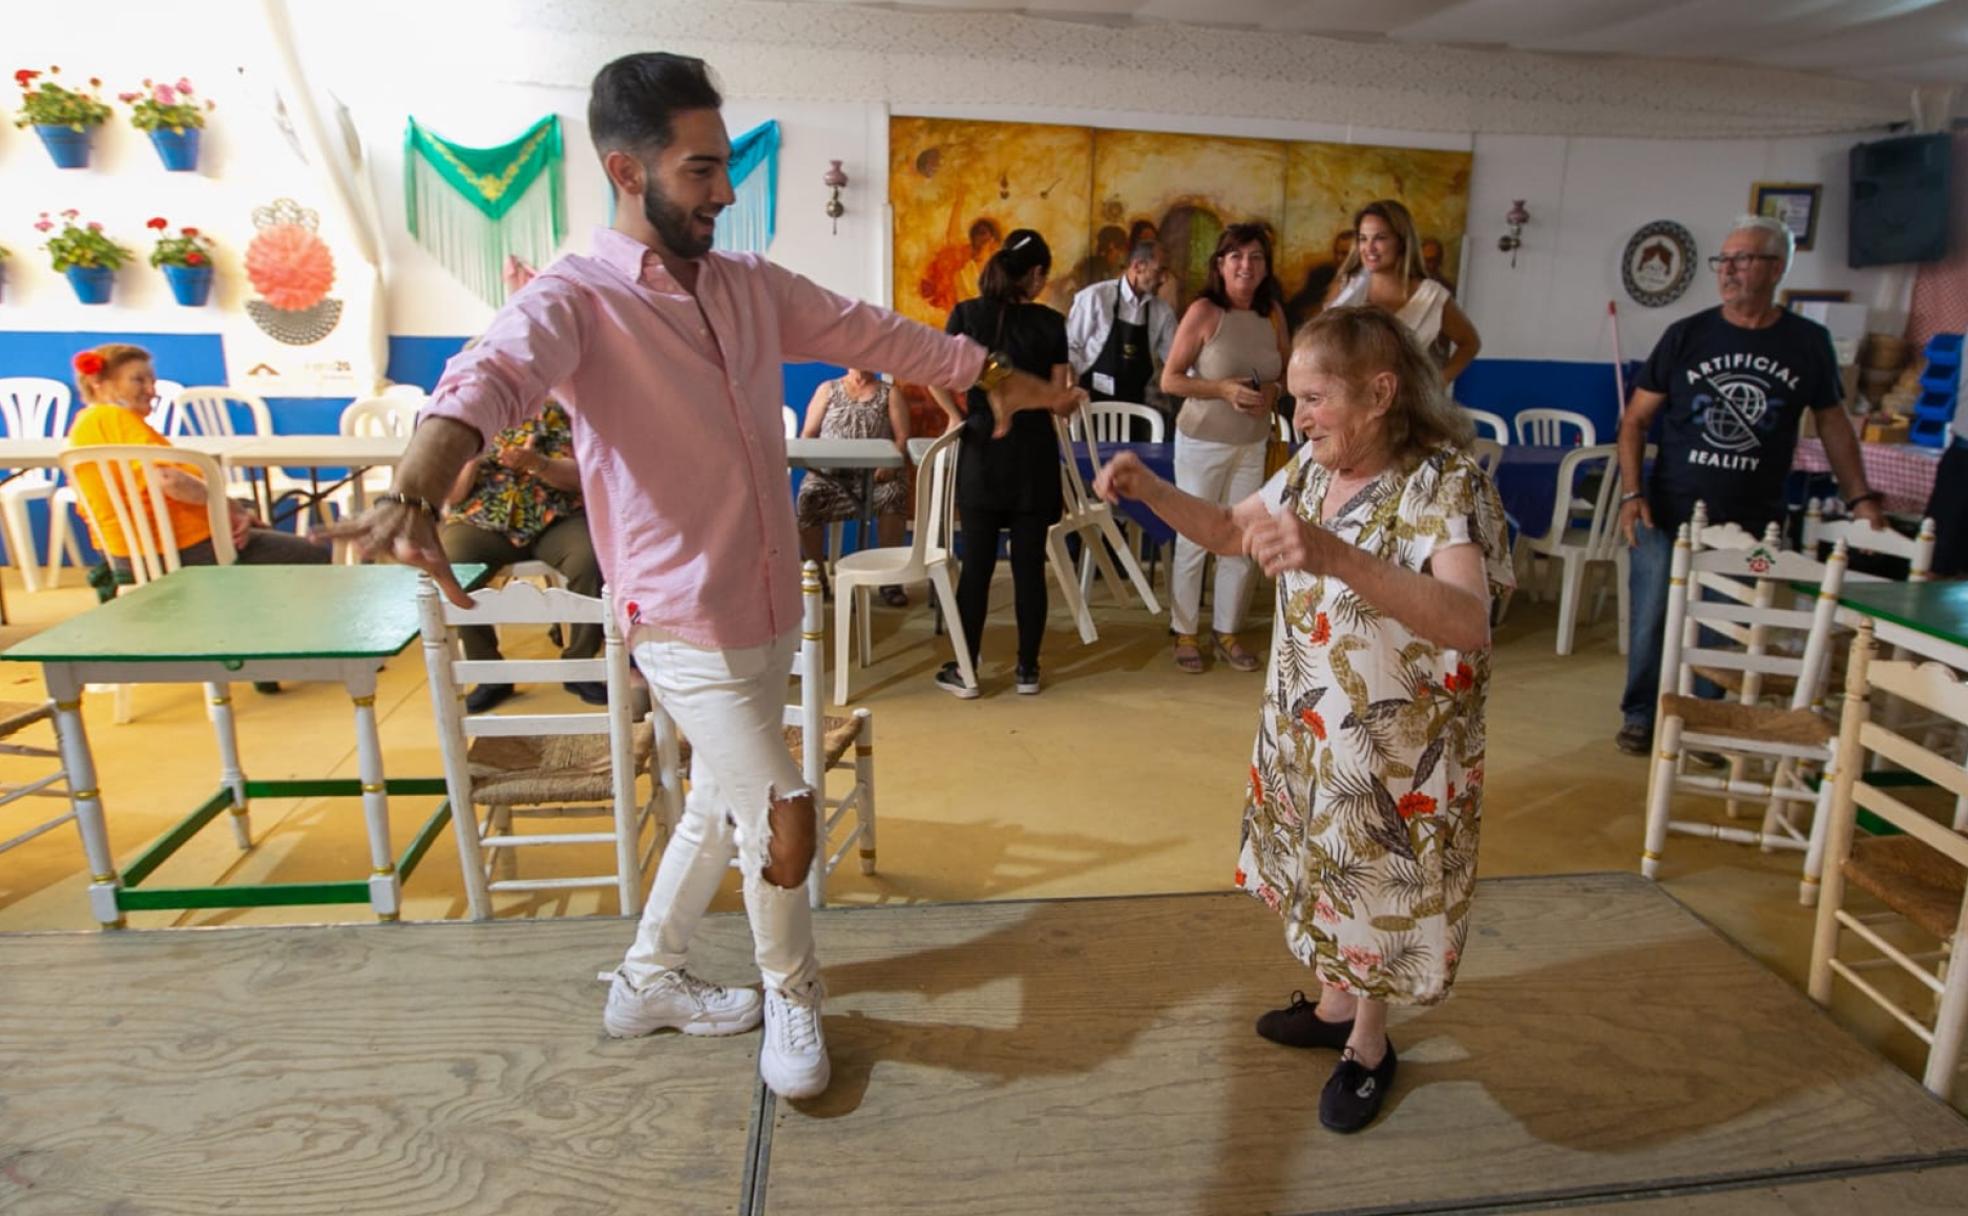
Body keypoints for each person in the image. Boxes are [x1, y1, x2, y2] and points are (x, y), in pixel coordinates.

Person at [327, 53, 1079, 1102]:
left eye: (724, 166)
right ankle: (793, 992)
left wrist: (997, 377)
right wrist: (417, 484)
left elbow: (883, 332)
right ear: (624, 170)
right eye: (700, 170)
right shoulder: (577, 299)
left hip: (766, 601)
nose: (725, 190)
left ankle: (647, 980)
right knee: (782, 811)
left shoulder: (750, 288)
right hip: (679, 616)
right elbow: (487, 377)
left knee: (713, 809)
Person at [1096, 305, 1510, 1133]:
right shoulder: (1311, 473)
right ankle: (1330, 1010)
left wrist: (1333, 555)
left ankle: (1368, 1043)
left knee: (1376, 896)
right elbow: (1224, 531)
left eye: (1316, 398)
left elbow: (1469, 619)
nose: (1299, 416)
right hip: (1310, 725)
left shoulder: (1445, 483)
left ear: (1381, 393)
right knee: (1322, 873)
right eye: (1295, 398)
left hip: (1395, 752)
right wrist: (1148, 488)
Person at [1613, 214, 1884, 755]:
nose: (1728, 270)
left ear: (1777, 267)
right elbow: (1634, 421)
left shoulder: (1808, 342)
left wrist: (1859, 496)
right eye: (1724, 260)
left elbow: (1832, 423)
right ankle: (1642, 713)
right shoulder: (1686, 335)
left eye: (1743, 259)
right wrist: (1631, 492)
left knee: (1723, 625)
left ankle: (1707, 720)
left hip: (1752, 516)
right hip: (1666, 510)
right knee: (1652, 620)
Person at [929, 229, 1073, 699]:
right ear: (1034, 275)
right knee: (1030, 567)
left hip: (981, 451)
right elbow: (1058, 400)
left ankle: (967, 671)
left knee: (977, 568)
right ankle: (1027, 671)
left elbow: (933, 372)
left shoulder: (966, 315)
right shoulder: (1051, 323)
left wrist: (957, 416)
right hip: (1033, 456)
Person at [65, 344, 330, 577]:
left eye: (152, 380)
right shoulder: (113, 418)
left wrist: (232, 511)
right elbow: (168, 480)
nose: (151, 389)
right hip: (175, 549)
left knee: (252, 517)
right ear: (100, 383)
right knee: (312, 554)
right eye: (138, 380)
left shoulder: (88, 425)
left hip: (133, 550)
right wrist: (227, 509)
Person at [1159, 223, 1291, 675]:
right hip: (1201, 442)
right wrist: (1222, 389)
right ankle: (1185, 631)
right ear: (1220, 264)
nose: (1246, 266)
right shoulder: (1204, 311)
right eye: (1236, 256)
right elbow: (1170, 380)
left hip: (1253, 443)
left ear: (1265, 266)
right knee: (1196, 537)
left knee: (1240, 539)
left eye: (1255, 257)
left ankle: (1227, 629)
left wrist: (1273, 390)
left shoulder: (1272, 312)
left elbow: (1287, 373)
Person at [438, 400, 606, 713]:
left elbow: (586, 477)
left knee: (591, 558)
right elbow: (450, 495)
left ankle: (580, 666)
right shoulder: (466, 417)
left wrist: (538, 463)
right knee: (455, 563)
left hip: (556, 516)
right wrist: (475, 456)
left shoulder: (562, 408)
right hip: (482, 521)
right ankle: (489, 674)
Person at [795, 367, 914, 607]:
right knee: (808, 495)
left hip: (876, 477)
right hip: (830, 476)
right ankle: (817, 578)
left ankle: (889, 580)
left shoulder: (890, 393)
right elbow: (808, 434)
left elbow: (902, 438)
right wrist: (812, 463)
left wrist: (890, 465)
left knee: (894, 494)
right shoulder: (827, 389)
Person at [1325, 201, 1481, 385]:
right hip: (1351, 402)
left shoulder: (1432, 296)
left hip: (1406, 406)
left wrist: (1439, 382)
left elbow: (1470, 343)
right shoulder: (1345, 287)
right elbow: (1324, 343)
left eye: (1380, 238)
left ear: (1401, 242)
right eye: (1363, 238)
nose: (1369, 248)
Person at [1065, 240, 1177, 421]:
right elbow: (1069, 347)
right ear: (1138, 266)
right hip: (1090, 405)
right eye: (1160, 271)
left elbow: (1176, 360)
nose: (1164, 279)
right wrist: (1070, 387)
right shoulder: (1095, 297)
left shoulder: (1162, 312)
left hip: (1138, 410)